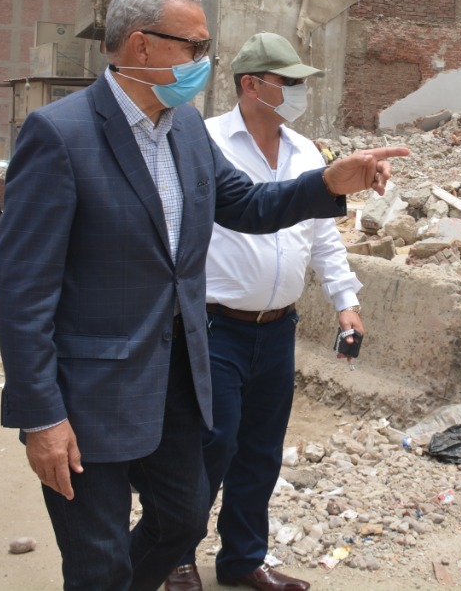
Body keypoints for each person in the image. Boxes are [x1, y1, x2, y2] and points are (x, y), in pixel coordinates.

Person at [0, 0, 406, 591]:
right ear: (142, 45)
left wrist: (326, 184)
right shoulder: (61, 133)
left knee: (183, 519)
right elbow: (22, 290)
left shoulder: (185, 129)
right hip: (89, 395)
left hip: (176, 383)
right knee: (98, 561)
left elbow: (248, 204)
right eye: (194, 47)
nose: (204, 62)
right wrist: (41, 416)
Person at [165, 34, 362, 591]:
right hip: (213, 326)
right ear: (251, 85)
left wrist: (346, 301)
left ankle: (244, 558)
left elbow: (323, 237)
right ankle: (175, 554)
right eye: (289, 81)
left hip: (278, 328)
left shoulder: (306, 153)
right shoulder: (205, 143)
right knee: (211, 444)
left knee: (260, 450)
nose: (300, 92)